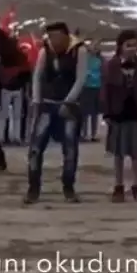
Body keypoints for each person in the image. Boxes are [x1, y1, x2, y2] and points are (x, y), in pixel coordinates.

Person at [26, 21, 89, 204]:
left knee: (70, 149)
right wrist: (37, 100)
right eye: (50, 37)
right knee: (36, 148)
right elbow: (37, 76)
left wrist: (68, 102)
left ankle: (68, 188)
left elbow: (81, 78)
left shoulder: (79, 50)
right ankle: (33, 188)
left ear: (65, 36)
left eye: (56, 37)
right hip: (47, 103)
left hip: (69, 105)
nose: (53, 41)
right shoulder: (45, 50)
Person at [101, 29, 137, 202]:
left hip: (136, 112)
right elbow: (106, 90)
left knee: (136, 152)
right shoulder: (111, 64)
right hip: (117, 113)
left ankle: (136, 186)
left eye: (135, 45)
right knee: (118, 153)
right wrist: (106, 113)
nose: (132, 49)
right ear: (120, 46)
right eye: (128, 45)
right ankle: (118, 186)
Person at [79, 40, 104, 142]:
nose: (95, 49)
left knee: (95, 112)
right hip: (86, 86)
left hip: (96, 86)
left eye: (96, 47)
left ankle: (93, 134)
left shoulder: (100, 60)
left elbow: (103, 72)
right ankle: (84, 133)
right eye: (93, 47)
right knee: (85, 112)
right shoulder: (85, 59)